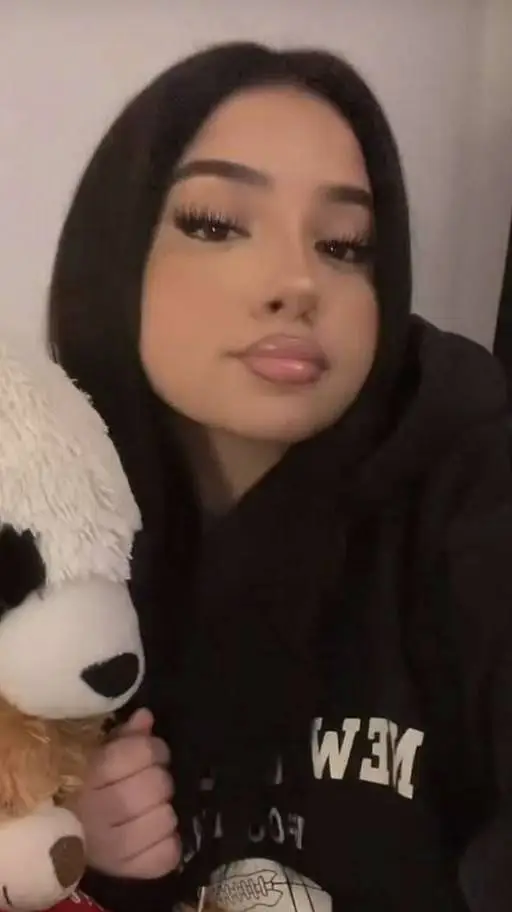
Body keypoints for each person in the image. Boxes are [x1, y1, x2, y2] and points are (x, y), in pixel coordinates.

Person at [47, 41, 512, 912]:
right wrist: (72, 846)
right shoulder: (42, 508)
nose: (299, 281)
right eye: (215, 225)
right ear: (114, 251)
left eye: (345, 245)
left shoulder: (467, 471)